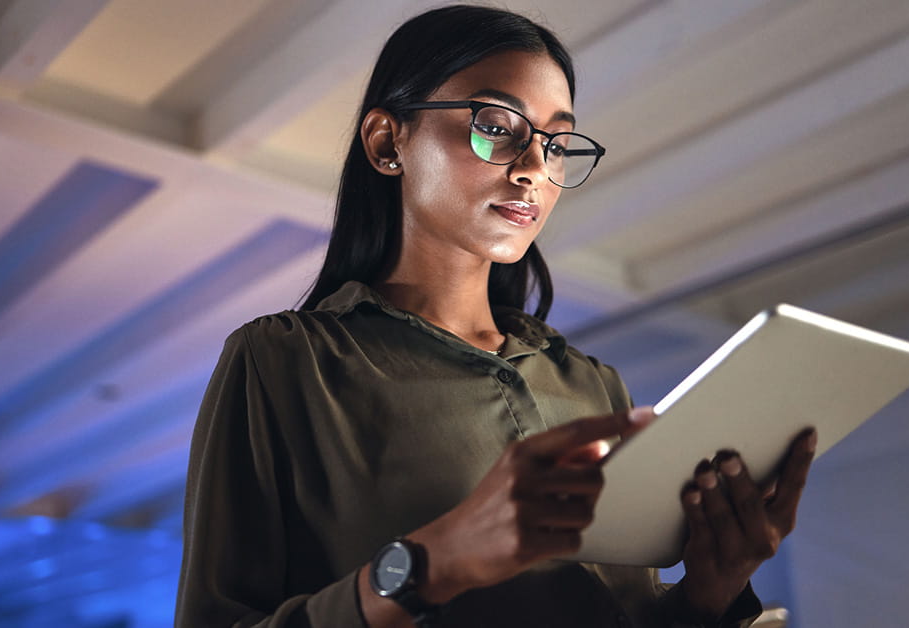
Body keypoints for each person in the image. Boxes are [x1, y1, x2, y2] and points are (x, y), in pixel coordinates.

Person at [174, 5, 815, 627]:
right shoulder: (286, 361)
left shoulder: (594, 384)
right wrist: (434, 562)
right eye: (497, 124)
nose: (536, 168)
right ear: (386, 141)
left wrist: (709, 592)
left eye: (556, 142)